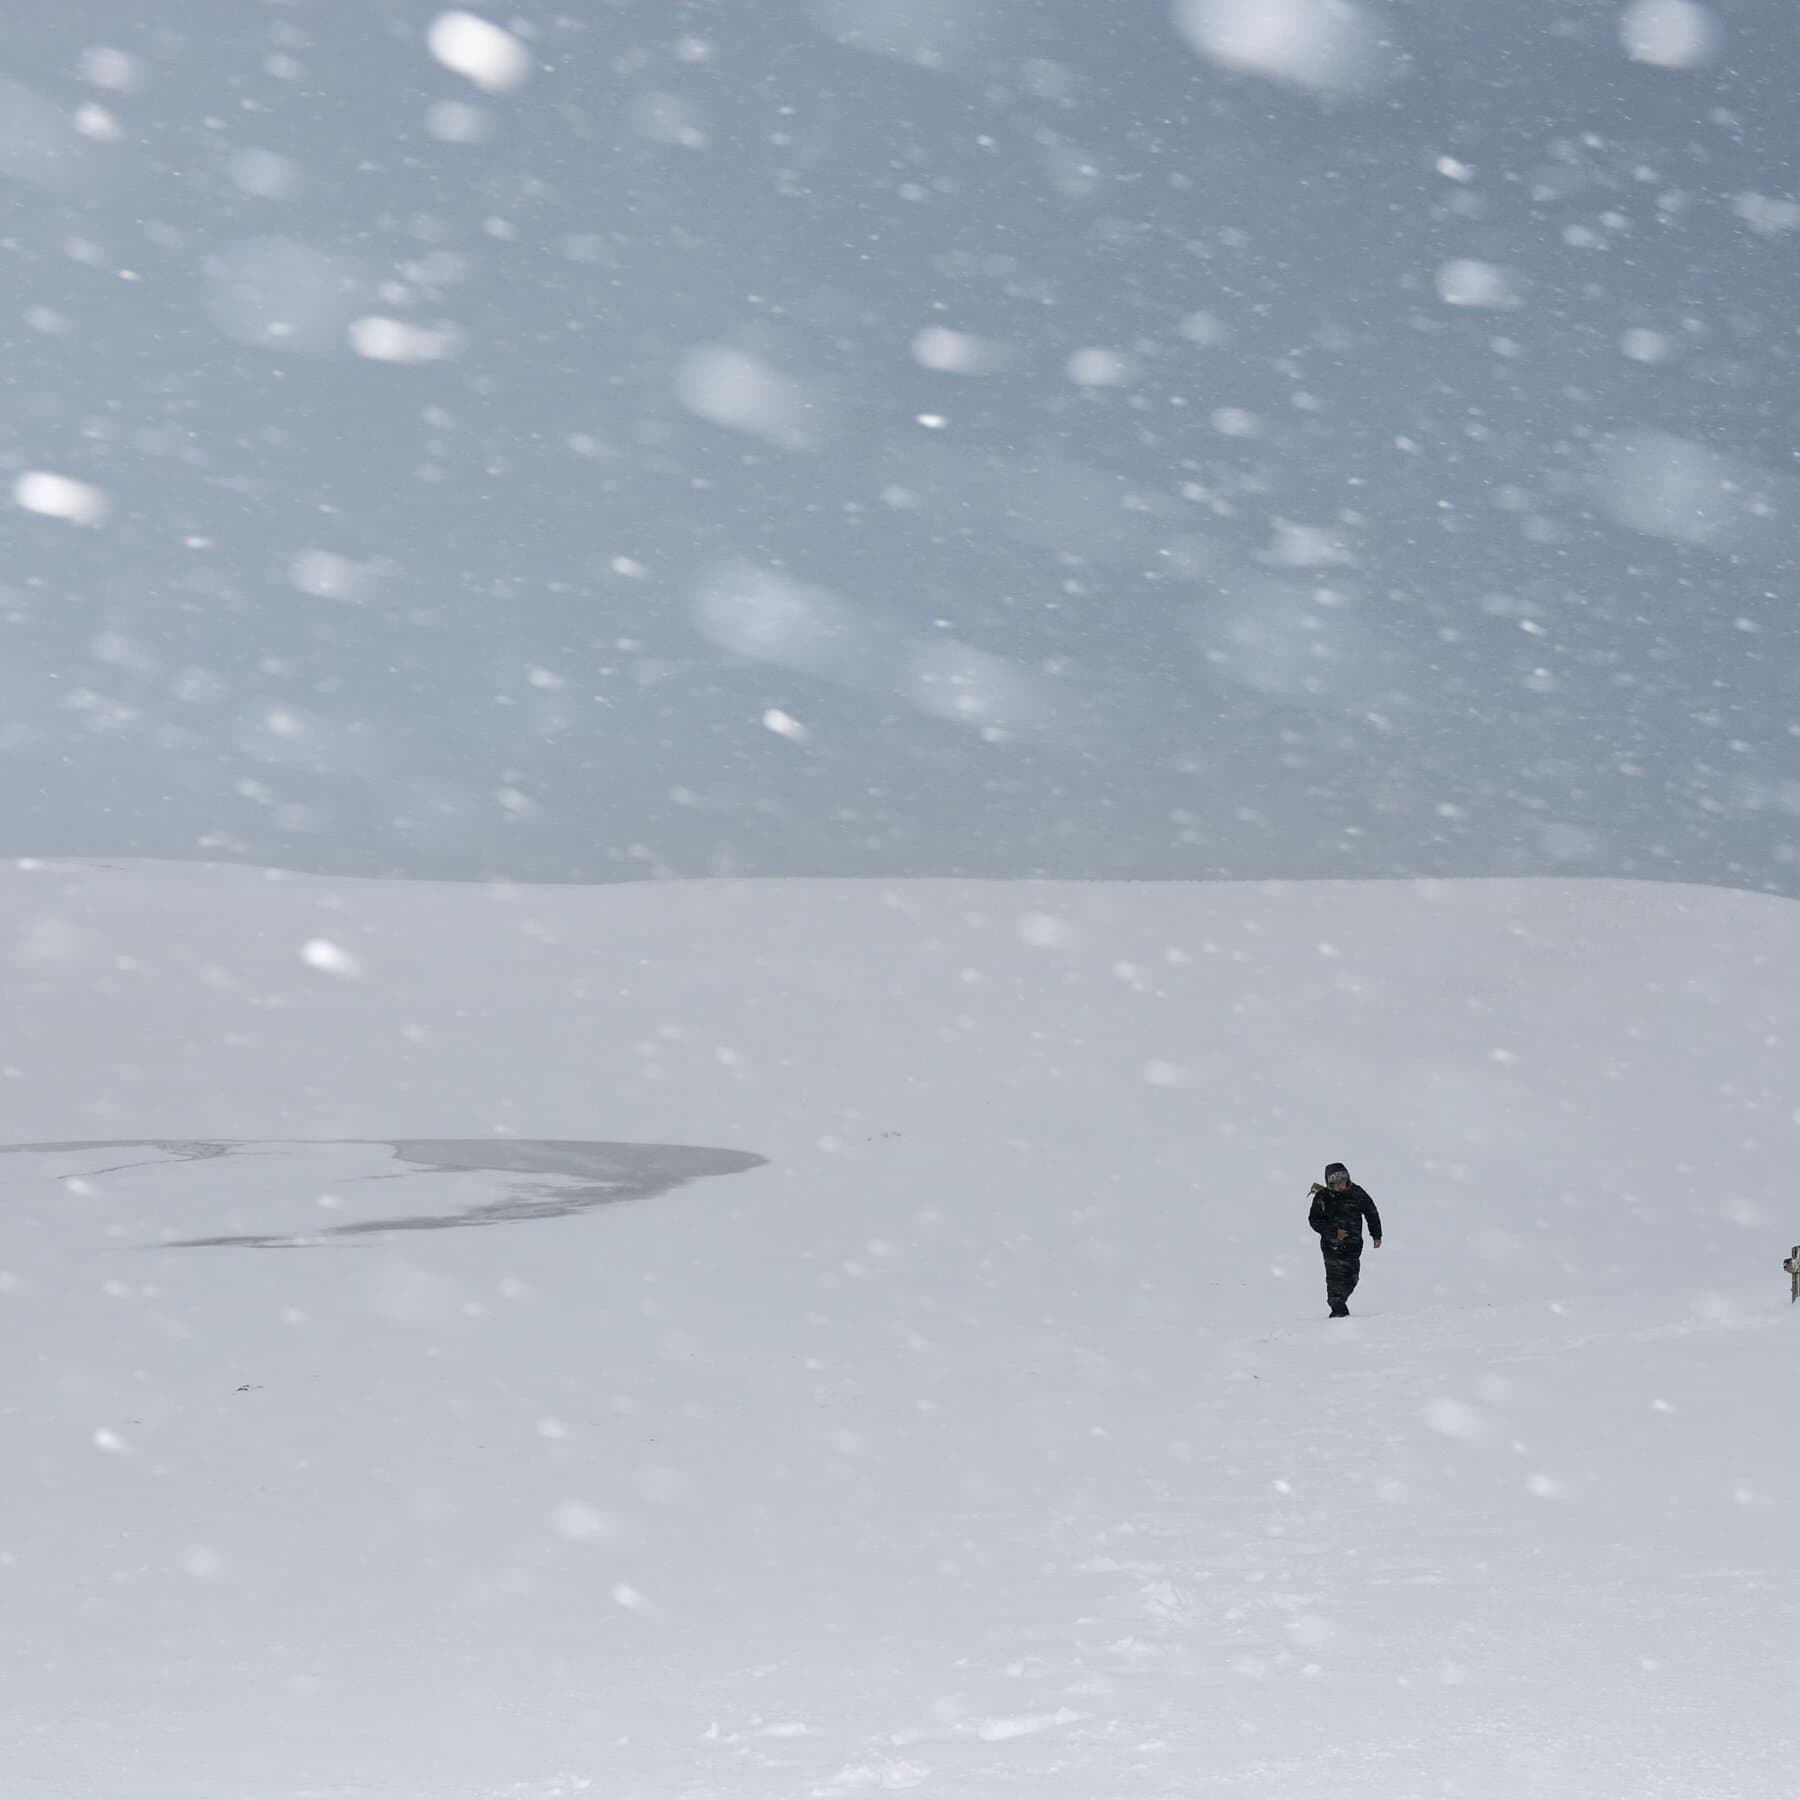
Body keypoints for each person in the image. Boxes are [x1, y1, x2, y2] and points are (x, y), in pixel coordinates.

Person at [1308, 1162, 1382, 1318]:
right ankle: (1337, 1312)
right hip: (1331, 1247)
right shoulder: (1323, 1197)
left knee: (1351, 1279)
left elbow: (1371, 1212)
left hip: (1353, 1246)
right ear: (1329, 1183)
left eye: (1342, 1181)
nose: (1339, 1185)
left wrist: (1376, 1235)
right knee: (1334, 1281)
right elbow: (1314, 1220)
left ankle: (1340, 1302)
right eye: (1334, 1182)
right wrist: (1334, 1232)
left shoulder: (1357, 1193)